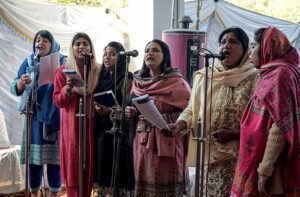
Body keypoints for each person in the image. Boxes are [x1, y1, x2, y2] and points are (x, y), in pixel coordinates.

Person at [169, 27, 259, 196]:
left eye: (233, 42)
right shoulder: (205, 76)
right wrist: (180, 124)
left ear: (245, 49)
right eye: (223, 42)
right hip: (208, 154)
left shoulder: (254, 77)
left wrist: (234, 134)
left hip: (240, 156)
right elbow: (193, 109)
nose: (227, 46)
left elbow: (259, 120)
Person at [231, 27, 300, 197]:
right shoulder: (271, 72)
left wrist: (265, 168)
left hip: (269, 164)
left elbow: (281, 126)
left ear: (267, 47)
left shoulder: (281, 75)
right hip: (255, 154)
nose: (249, 53)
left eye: (253, 47)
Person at [124, 39, 191, 197]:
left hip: (167, 143)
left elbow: (190, 113)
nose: (150, 53)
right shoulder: (138, 84)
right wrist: (131, 113)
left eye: (155, 50)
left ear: (165, 56)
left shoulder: (177, 83)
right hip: (142, 143)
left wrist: (162, 117)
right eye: (147, 50)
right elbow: (135, 109)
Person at [10, 30, 66, 197]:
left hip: (54, 117)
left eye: (45, 40)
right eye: (37, 40)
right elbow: (15, 87)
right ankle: (35, 194)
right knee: (34, 160)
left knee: (54, 160)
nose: (40, 43)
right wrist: (20, 83)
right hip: (33, 117)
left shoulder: (62, 61)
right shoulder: (28, 61)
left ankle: (54, 194)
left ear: (53, 43)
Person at [53, 32, 101, 197]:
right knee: (74, 168)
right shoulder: (64, 71)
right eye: (77, 44)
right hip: (72, 127)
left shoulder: (98, 70)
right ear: (72, 48)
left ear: (90, 48)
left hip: (92, 125)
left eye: (85, 44)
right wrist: (68, 89)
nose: (81, 47)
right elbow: (58, 101)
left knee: (89, 166)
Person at [92, 41, 134, 196]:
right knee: (103, 169)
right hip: (102, 130)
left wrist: (108, 110)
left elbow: (129, 109)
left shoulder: (126, 79)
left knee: (116, 173)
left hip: (119, 135)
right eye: (105, 54)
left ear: (121, 57)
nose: (107, 57)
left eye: (112, 54)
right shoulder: (101, 79)